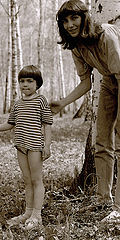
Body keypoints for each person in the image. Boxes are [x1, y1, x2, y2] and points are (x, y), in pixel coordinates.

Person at [51, 0, 120, 222]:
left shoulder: (106, 36)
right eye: (65, 21)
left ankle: (118, 208)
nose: (70, 24)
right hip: (109, 81)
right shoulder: (76, 46)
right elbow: (86, 83)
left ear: (84, 17)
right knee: (101, 142)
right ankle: (103, 199)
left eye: (74, 18)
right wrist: (62, 103)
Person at [0, 65, 53, 230]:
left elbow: (47, 124)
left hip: (35, 146)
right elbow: (9, 123)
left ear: (37, 83)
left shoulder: (40, 100)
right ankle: (28, 213)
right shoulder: (18, 103)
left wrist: (47, 145)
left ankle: (37, 215)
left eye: (29, 81)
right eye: (22, 81)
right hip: (20, 146)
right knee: (27, 180)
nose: (25, 84)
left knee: (36, 180)